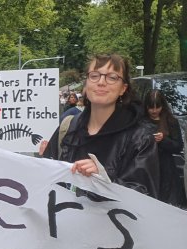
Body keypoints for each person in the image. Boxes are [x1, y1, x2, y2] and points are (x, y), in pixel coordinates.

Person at [41, 54, 159, 197]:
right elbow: (44, 182)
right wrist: (43, 161)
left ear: (123, 88)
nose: (101, 82)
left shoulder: (140, 137)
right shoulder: (67, 128)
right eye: (94, 76)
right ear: (86, 84)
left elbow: (146, 196)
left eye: (112, 77)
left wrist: (104, 180)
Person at [143, 90, 184, 206]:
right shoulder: (141, 121)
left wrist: (163, 140)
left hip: (166, 169)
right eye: (151, 107)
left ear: (163, 106)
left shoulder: (171, 121)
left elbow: (178, 146)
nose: (154, 111)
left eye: (158, 107)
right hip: (146, 167)